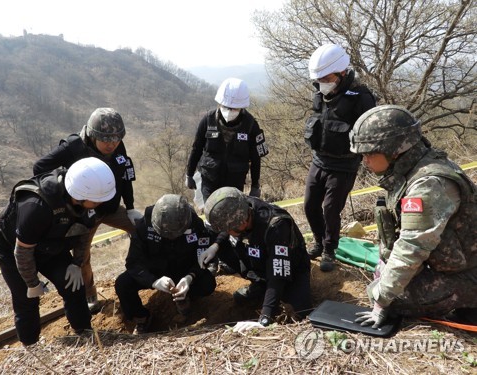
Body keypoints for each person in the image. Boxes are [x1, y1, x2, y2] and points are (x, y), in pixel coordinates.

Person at [349, 105, 477, 328]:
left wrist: (381, 301)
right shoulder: (413, 168)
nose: (365, 161)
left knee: (390, 298)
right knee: (382, 275)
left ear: (394, 150)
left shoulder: (428, 185)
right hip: (452, 264)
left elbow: (412, 247)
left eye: (369, 153)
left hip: (469, 274)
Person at [0, 157, 116, 346]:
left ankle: (84, 332)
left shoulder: (87, 201)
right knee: (26, 298)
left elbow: (83, 233)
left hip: (51, 244)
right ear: (79, 195)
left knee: (73, 285)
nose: (99, 204)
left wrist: (76, 263)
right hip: (12, 250)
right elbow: (22, 252)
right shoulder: (36, 206)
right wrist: (32, 283)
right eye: (96, 201)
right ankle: (31, 346)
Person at [33, 107, 142, 311]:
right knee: (81, 257)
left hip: (109, 206)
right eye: (107, 140)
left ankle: (149, 273)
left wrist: (130, 207)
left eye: (116, 140)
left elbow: (126, 176)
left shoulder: (118, 145)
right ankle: (90, 295)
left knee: (143, 228)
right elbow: (40, 168)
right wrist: (66, 188)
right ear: (93, 136)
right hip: (82, 213)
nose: (112, 145)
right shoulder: (73, 147)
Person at [303, 43, 376, 272]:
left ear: (341, 72)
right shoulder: (321, 93)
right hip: (319, 160)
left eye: (326, 77)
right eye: (319, 79)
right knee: (309, 205)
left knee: (330, 209)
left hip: (344, 164)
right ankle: (317, 240)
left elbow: (369, 134)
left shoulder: (361, 97)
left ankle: (329, 249)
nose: (322, 83)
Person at [202, 187, 311, 331]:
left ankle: (268, 291)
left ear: (242, 222)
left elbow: (278, 273)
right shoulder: (242, 206)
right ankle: (260, 284)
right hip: (261, 260)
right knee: (226, 247)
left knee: (298, 311)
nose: (227, 233)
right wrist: (216, 245)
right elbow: (226, 228)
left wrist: (265, 318)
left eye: (229, 230)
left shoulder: (276, 226)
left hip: (292, 270)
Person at [114, 194, 217, 334]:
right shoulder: (144, 225)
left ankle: (186, 295)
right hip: (155, 271)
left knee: (207, 283)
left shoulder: (196, 225)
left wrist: (190, 277)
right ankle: (142, 317)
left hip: (184, 269)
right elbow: (133, 262)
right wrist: (153, 281)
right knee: (123, 283)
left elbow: (202, 256)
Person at [185, 77, 269, 203]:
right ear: (220, 103)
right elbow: (196, 148)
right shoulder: (208, 120)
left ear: (242, 107)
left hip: (235, 181)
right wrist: (189, 174)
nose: (229, 111)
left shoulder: (251, 125)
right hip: (210, 179)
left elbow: (256, 159)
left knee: (231, 215)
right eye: (226, 107)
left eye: (234, 108)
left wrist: (255, 185)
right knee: (211, 214)